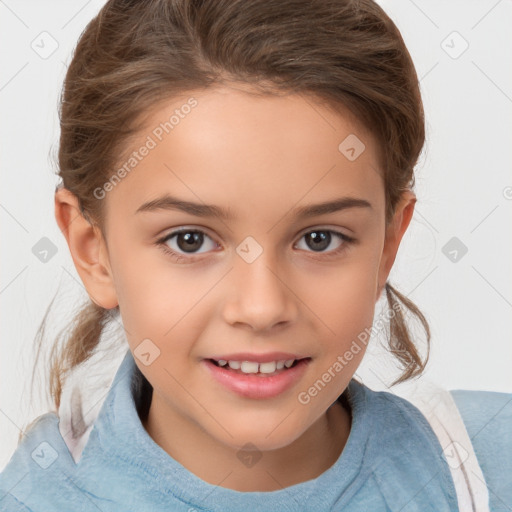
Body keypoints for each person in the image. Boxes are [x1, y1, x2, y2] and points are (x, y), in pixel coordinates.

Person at [0, 0, 510, 510]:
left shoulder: (486, 468)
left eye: (319, 239)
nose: (262, 308)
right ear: (95, 253)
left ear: (387, 244)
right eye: (190, 240)